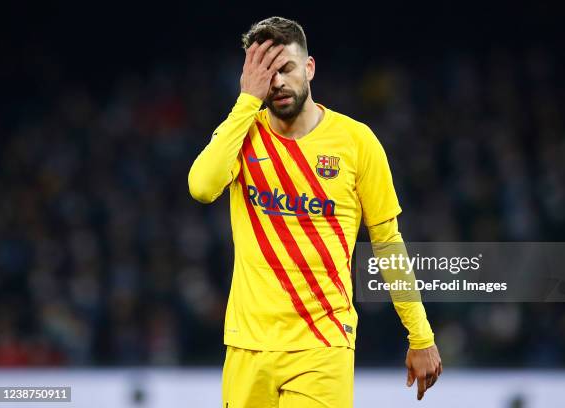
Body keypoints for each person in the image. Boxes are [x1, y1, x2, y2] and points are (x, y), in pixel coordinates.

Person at [188, 16, 442, 408]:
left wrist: (420, 335)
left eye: (286, 68)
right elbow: (202, 187)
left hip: (321, 344)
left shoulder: (356, 142)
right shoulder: (243, 134)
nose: (277, 82)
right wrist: (245, 102)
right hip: (246, 346)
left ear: (309, 68)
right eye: (266, 73)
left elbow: (388, 243)